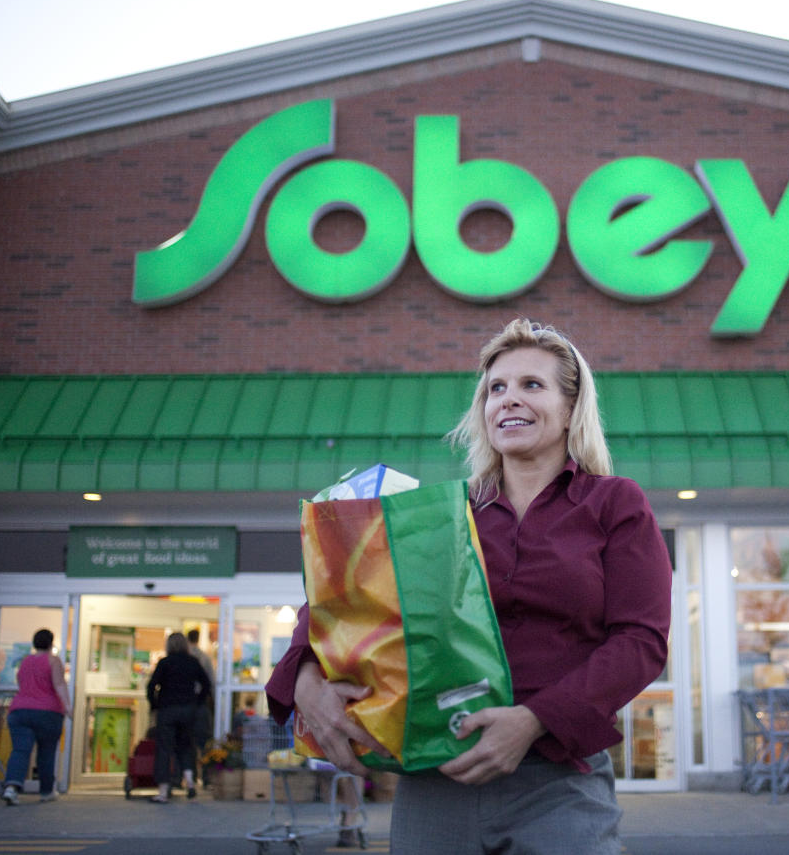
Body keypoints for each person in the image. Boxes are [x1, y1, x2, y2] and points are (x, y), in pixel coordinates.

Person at [266, 318, 672, 854]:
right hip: (438, 774)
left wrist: (533, 721)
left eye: (532, 385)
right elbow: (341, 601)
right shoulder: (446, 512)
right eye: (496, 389)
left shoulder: (614, 503)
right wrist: (304, 681)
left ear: (571, 407)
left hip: (557, 779)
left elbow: (641, 641)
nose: (509, 399)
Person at [1, 628, 72, 805]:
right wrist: (69, 707)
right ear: (51, 643)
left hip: (19, 711)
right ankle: (46, 791)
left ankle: (11, 787)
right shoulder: (53, 661)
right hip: (47, 713)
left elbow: (21, 683)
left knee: (20, 750)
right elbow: (60, 685)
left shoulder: (25, 662)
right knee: (46, 753)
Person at [146, 631, 211, 803]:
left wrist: (155, 705)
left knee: (164, 749)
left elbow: (152, 685)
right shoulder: (193, 662)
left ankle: (163, 790)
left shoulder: (165, 663)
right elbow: (206, 684)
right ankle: (190, 783)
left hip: (167, 710)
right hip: (188, 710)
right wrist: (197, 702)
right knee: (186, 746)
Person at [186, 628, 215, 784]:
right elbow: (210, 681)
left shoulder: (184, 657)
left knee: (187, 742)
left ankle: (187, 776)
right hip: (200, 704)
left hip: (185, 703)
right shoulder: (204, 657)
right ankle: (205, 776)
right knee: (204, 741)